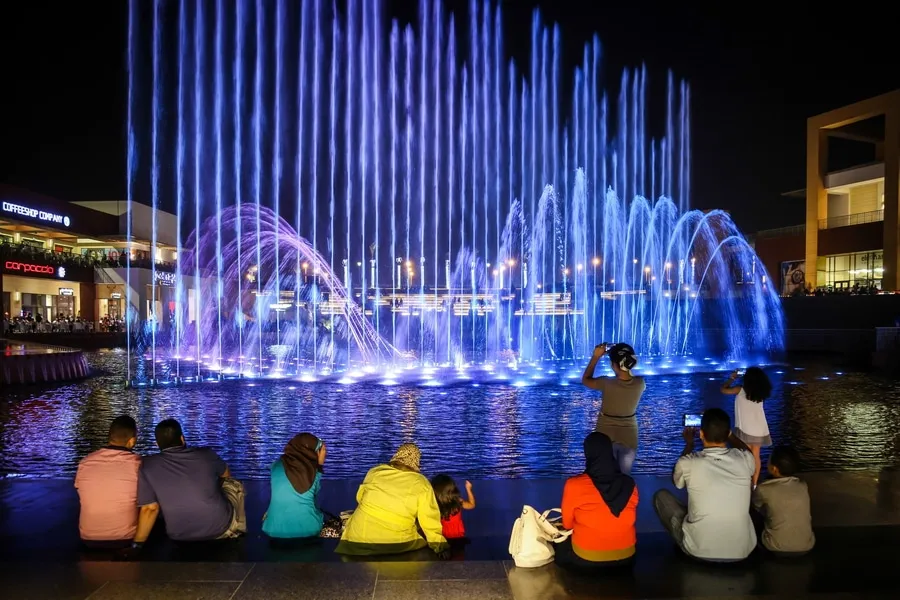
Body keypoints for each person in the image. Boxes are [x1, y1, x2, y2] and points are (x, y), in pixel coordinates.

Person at [653, 408, 757, 562]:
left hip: (699, 550)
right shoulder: (744, 459)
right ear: (728, 433)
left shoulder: (688, 463)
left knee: (661, 497)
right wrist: (730, 435)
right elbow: (746, 451)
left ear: (701, 434)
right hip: (741, 550)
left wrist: (689, 444)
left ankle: (685, 543)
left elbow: (677, 482)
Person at [132, 419, 246, 547]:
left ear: (158, 444)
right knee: (235, 484)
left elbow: (149, 508)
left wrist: (137, 544)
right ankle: (237, 529)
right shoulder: (206, 454)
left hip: (178, 534)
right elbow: (226, 475)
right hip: (220, 529)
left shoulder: (148, 465)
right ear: (182, 439)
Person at [336, 443, 449, 557]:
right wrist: (440, 546)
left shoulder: (375, 471)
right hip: (397, 543)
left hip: (357, 539)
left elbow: (360, 498)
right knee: (417, 529)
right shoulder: (421, 483)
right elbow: (429, 519)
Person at [560, 432, 638, 568]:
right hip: (627, 557)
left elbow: (567, 525)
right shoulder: (630, 484)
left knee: (559, 545)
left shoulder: (575, 485)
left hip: (587, 558)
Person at [74, 416, 141, 543]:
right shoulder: (137, 463)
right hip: (125, 539)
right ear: (132, 441)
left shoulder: (85, 462)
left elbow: (80, 490)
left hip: (88, 539)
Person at [582, 342, 645, 474]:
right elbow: (629, 375)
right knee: (624, 475)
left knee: (603, 473)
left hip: (605, 433)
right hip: (629, 436)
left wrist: (596, 357)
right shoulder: (640, 383)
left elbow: (586, 379)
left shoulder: (607, 383)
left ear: (613, 365)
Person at [752, 445, 815, 556]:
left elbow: (756, 506)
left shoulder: (764, 488)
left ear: (774, 469)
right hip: (807, 546)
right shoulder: (802, 485)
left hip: (775, 547)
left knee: (754, 513)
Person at [263, 433, 328, 539]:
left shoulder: (276, 465)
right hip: (309, 528)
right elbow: (314, 494)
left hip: (273, 528)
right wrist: (319, 465)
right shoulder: (313, 470)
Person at [721, 366, 773, 487]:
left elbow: (723, 389)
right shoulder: (761, 392)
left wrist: (732, 378)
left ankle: (746, 482)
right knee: (756, 455)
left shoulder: (740, 390)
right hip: (759, 427)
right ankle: (754, 483)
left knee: (746, 455)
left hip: (746, 427)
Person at [430, 475, 476, 539]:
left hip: (441, 534)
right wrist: (468, 489)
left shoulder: (434, 503)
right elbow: (471, 505)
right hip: (457, 534)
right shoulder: (456, 501)